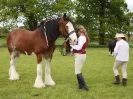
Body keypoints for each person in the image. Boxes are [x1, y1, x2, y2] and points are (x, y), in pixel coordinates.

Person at [70, 25, 89, 91]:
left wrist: (72, 44)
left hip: (80, 55)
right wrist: (73, 49)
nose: (76, 33)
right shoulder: (82, 37)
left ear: (79, 31)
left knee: (77, 71)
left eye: (77, 31)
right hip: (81, 55)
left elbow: (79, 47)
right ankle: (80, 85)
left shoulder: (82, 37)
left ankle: (85, 86)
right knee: (78, 71)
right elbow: (77, 45)